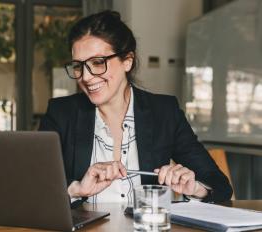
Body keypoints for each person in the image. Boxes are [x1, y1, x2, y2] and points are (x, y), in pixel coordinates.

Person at [39, 10, 232, 203]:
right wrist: (75, 189)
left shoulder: (164, 112)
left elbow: (220, 186)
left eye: (98, 63)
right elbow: (35, 189)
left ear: (127, 61)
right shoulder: (61, 113)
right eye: (79, 66)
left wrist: (195, 188)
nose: (86, 77)